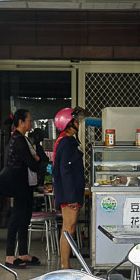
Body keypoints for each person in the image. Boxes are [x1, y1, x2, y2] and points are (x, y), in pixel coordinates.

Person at [1, 109, 45, 267]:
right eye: (29, 121)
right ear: (21, 122)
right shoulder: (18, 140)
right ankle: (9, 255)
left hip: (27, 184)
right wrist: (36, 159)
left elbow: (35, 160)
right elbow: (32, 163)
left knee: (25, 218)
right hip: (19, 184)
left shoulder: (23, 139)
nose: (31, 123)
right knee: (16, 218)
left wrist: (36, 159)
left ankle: (24, 253)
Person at [51, 107, 85, 270]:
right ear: (68, 123)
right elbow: (65, 172)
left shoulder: (66, 141)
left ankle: (66, 265)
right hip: (68, 194)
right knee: (68, 228)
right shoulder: (66, 143)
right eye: (75, 120)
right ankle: (65, 266)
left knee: (69, 228)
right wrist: (71, 197)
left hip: (69, 192)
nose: (78, 123)